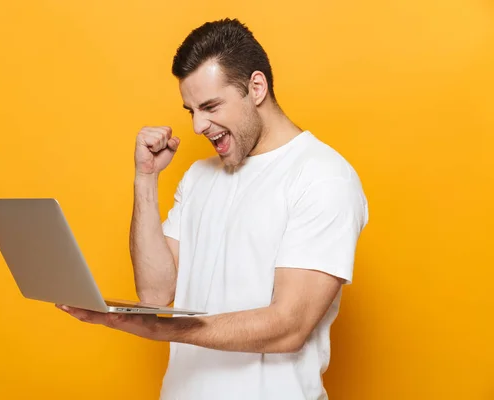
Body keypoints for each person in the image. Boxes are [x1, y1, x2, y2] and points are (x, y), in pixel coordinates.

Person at [57, 18, 369, 400]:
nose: (199, 126)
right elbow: (155, 293)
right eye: (191, 111)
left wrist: (163, 330)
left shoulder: (323, 177)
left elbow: (290, 327)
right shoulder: (199, 176)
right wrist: (145, 178)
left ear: (256, 87)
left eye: (210, 106)